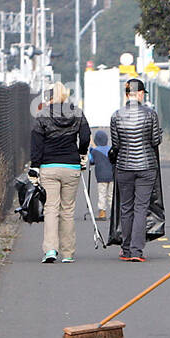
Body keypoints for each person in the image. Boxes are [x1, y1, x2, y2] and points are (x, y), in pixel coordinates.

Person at [29, 81, 91, 263]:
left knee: (50, 209)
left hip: (49, 166)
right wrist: (81, 153)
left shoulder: (42, 115)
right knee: (67, 210)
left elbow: (36, 143)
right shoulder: (77, 112)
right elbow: (86, 136)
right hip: (71, 165)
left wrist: (35, 165)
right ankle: (68, 252)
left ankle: (50, 250)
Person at [109, 78, 162, 262]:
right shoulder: (150, 114)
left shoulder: (116, 116)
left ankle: (125, 248)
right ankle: (137, 251)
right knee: (141, 207)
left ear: (126, 94)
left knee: (126, 207)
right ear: (140, 94)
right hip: (147, 165)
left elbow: (116, 144)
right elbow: (155, 141)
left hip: (124, 165)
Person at [88, 128, 114, 219]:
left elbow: (91, 161)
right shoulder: (110, 149)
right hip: (112, 176)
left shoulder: (95, 151)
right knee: (111, 195)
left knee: (102, 194)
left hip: (101, 177)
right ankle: (114, 213)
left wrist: (91, 151)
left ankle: (102, 213)